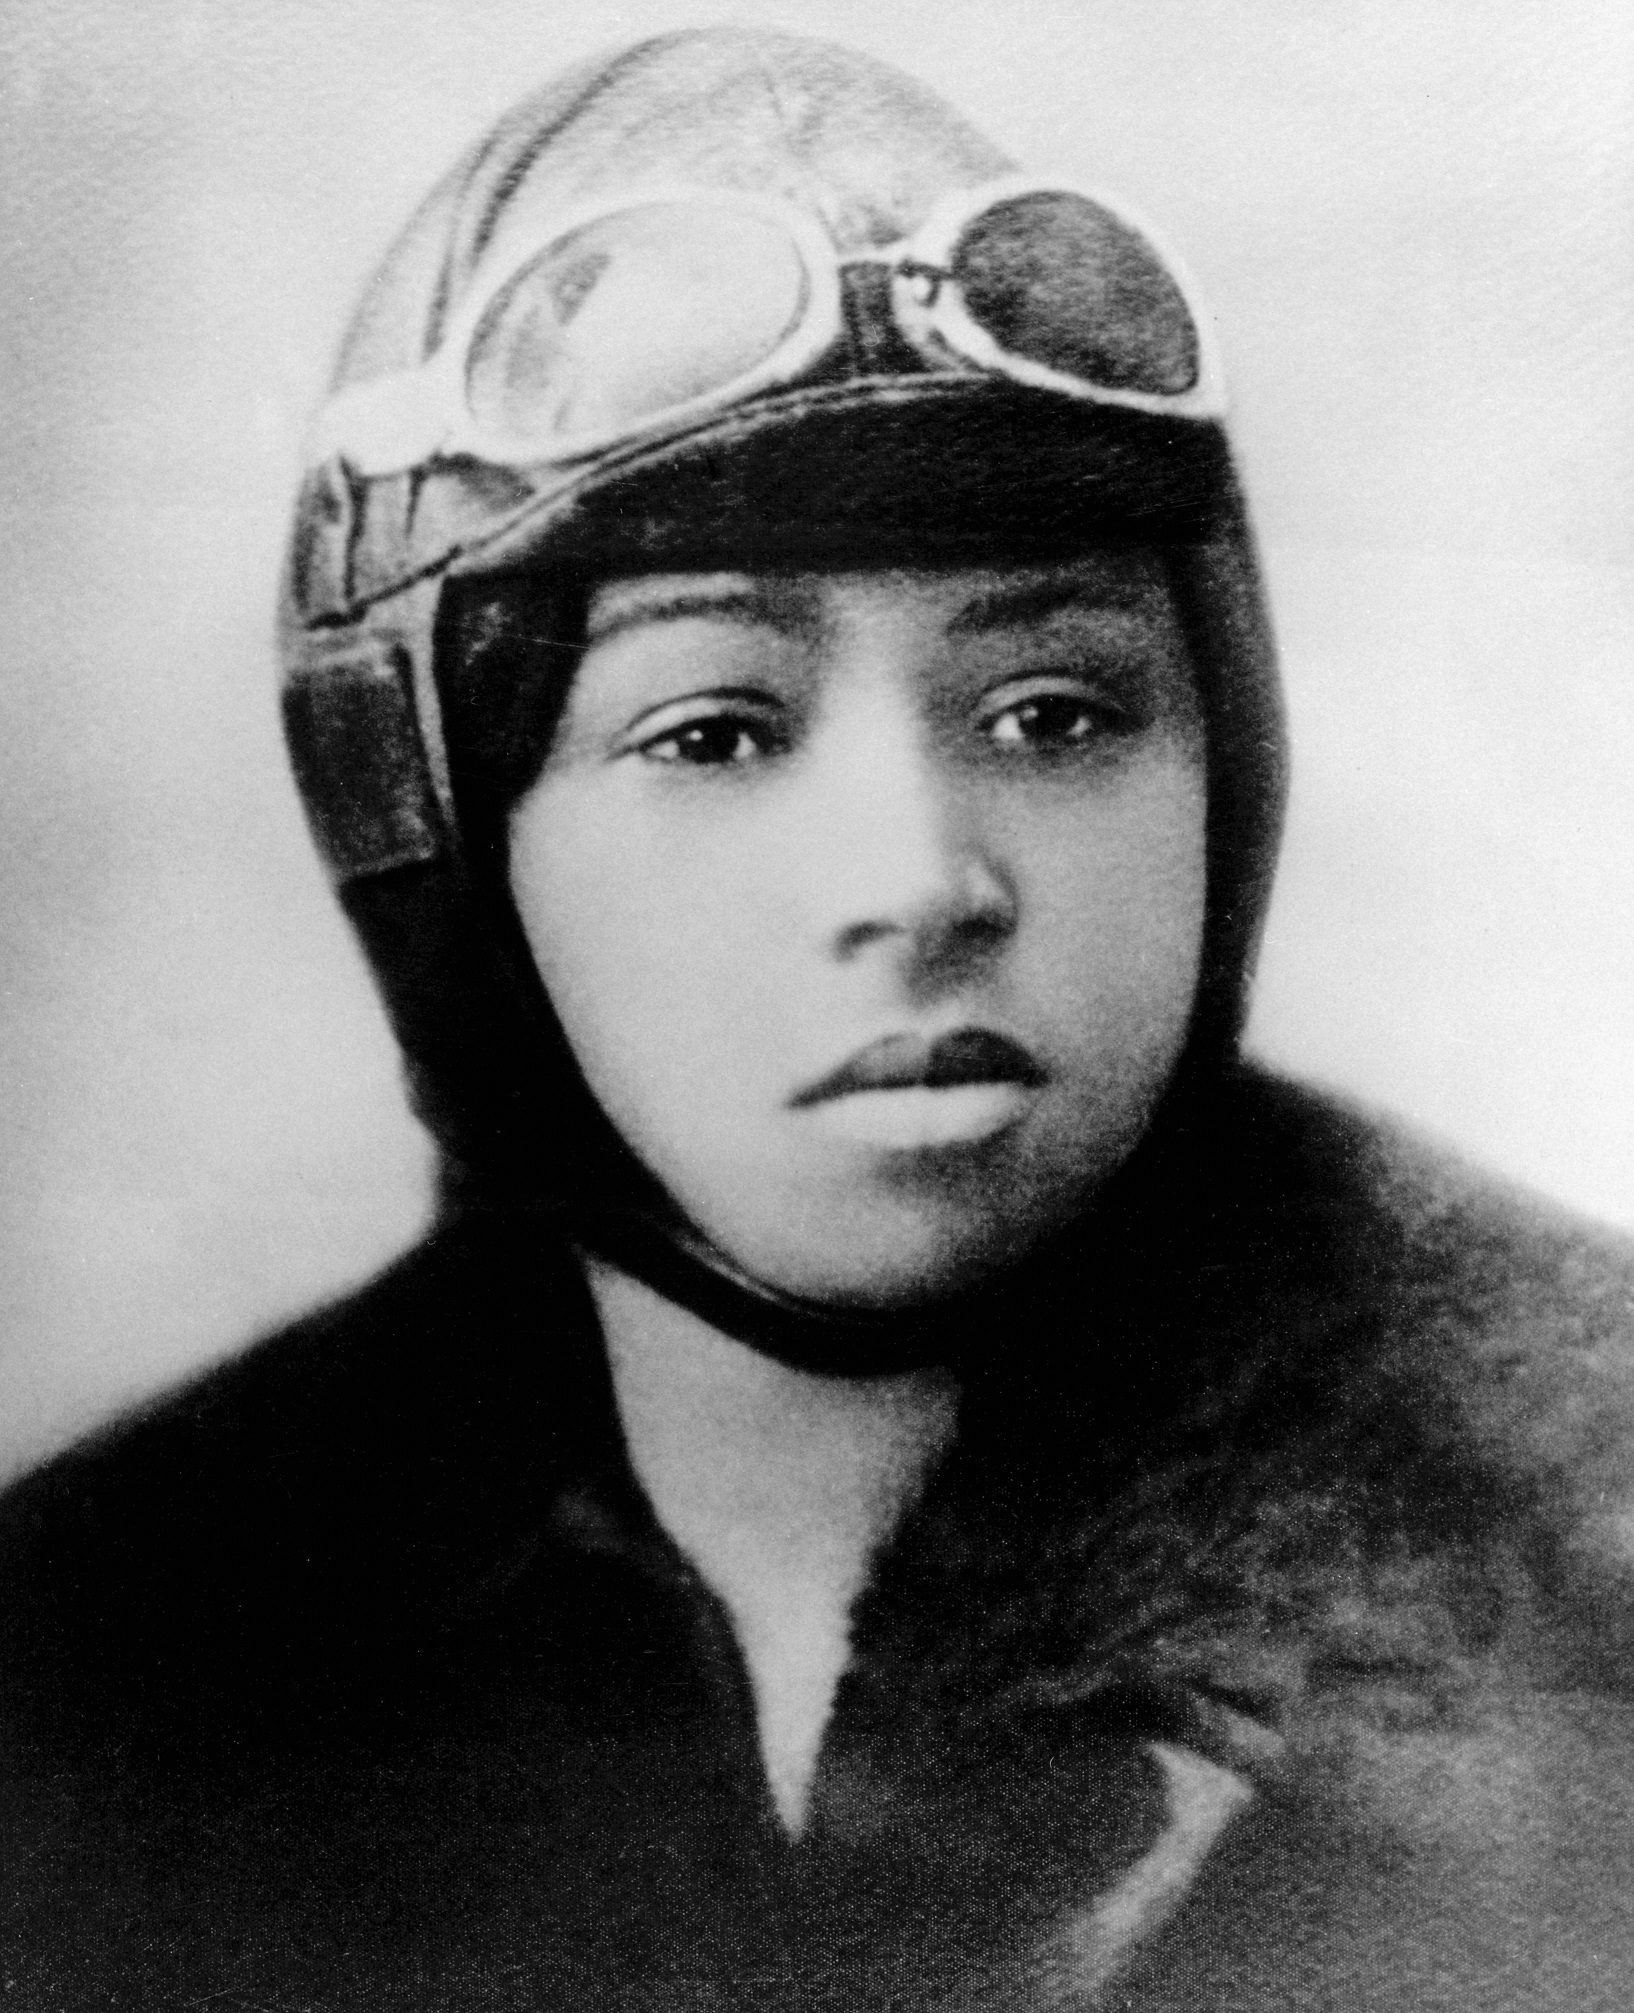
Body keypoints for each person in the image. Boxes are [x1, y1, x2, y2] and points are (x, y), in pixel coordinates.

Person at [2, 25, 1633, 2011]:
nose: (923, 875)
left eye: (1058, 710)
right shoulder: (102, 1650)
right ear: (429, 833)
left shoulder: (1593, 1526)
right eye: (715, 727)